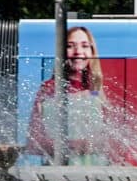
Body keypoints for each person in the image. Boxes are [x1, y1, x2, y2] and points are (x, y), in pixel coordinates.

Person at [25, 26, 125, 165]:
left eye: (84, 46)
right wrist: (73, 145)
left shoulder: (100, 89)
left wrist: (99, 142)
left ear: (92, 51)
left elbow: (117, 142)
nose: (78, 52)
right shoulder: (48, 89)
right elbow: (33, 143)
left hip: (98, 175)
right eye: (70, 46)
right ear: (62, 52)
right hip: (59, 175)